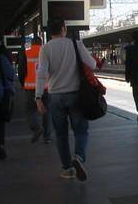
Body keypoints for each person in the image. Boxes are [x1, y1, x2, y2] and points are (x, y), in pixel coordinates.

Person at [35, 17, 96, 181]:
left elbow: (41, 74)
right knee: (81, 130)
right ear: (64, 29)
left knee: (61, 135)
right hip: (76, 95)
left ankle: (67, 169)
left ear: (49, 32)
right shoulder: (75, 44)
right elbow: (92, 64)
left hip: (55, 97)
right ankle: (79, 157)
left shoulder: (45, 49)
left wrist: (38, 97)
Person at [20, 36, 52, 143]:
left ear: (32, 43)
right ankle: (47, 137)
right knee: (46, 111)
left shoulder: (26, 53)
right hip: (46, 87)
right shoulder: (47, 52)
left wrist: (22, 83)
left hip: (30, 88)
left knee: (31, 110)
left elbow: (21, 70)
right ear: (41, 43)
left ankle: (36, 128)